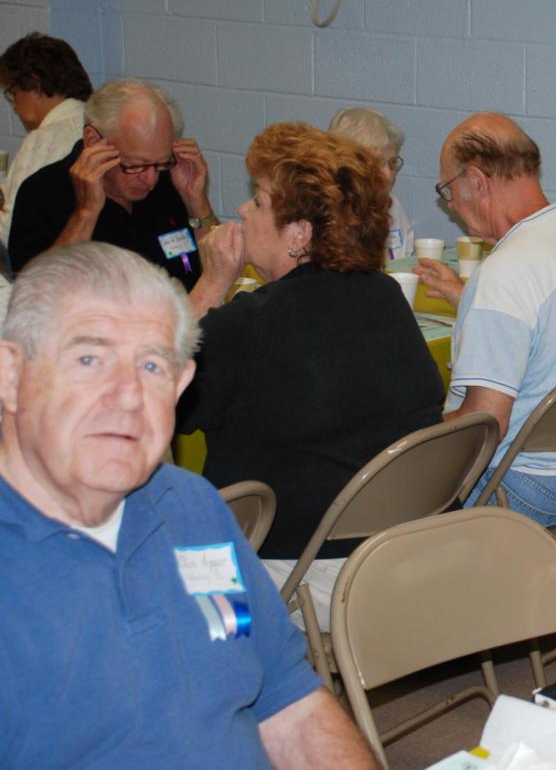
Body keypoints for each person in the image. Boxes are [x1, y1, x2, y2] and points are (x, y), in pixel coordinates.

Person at [0, 242, 376, 769]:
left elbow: (289, 702)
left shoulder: (190, 506)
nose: (127, 396)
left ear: (181, 385)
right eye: (88, 359)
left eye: (152, 366)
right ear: (10, 374)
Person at [178, 122, 444, 576]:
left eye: (258, 200)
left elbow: (153, 395)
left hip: (293, 566)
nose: (241, 209)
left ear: (299, 234)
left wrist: (211, 283)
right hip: (404, 551)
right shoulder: (384, 295)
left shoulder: (252, 325)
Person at [414, 112, 556, 526]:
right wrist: (467, 296)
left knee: (382, 476)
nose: (450, 203)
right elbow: (545, 322)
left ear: (477, 181)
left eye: (448, 189)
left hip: (524, 489)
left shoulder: (504, 273)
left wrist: (409, 437)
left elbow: (486, 423)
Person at [7, 78, 218, 290]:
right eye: (136, 165)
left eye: (161, 163)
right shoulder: (42, 193)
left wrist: (197, 202)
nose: (151, 180)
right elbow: (37, 294)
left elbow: (223, 271)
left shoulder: (170, 179)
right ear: (93, 140)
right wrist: (86, 213)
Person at [0, 32, 93, 237]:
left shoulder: (43, 140)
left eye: (13, 94)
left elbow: (10, 229)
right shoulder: (99, 123)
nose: (14, 106)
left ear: (35, 87)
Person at [327, 106, 416, 261]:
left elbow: (407, 261)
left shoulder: (394, 207)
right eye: (376, 163)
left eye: (392, 163)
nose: (387, 175)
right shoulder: (325, 213)